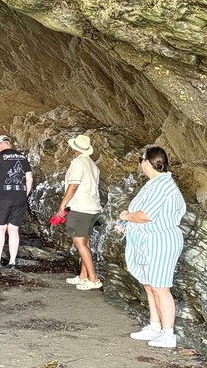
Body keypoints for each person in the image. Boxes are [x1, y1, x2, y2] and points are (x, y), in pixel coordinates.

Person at [116, 145, 187, 349]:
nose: (141, 164)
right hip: (149, 242)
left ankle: (168, 334)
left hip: (161, 241)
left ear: (147, 162)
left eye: (141, 160)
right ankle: (155, 326)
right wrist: (128, 218)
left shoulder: (163, 185)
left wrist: (127, 216)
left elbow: (145, 215)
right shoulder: (154, 184)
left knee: (160, 287)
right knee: (149, 285)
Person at [55, 133, 103, 291]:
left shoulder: (78, 163)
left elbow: (73, 186)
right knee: (85, 243)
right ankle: (83, 275)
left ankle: (93, 279)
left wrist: (63, 205)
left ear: (75, 149)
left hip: (81, 208)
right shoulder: (92, 164)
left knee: (79, 243)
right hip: (93, 208)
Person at [0, 136, 33, 268]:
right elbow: (29, 179)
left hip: (3, 198)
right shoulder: (22, 157)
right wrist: (24, 196)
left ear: (0, 145)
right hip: (20, 198)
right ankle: (12, 262)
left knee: (0, 229)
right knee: (14, 230)